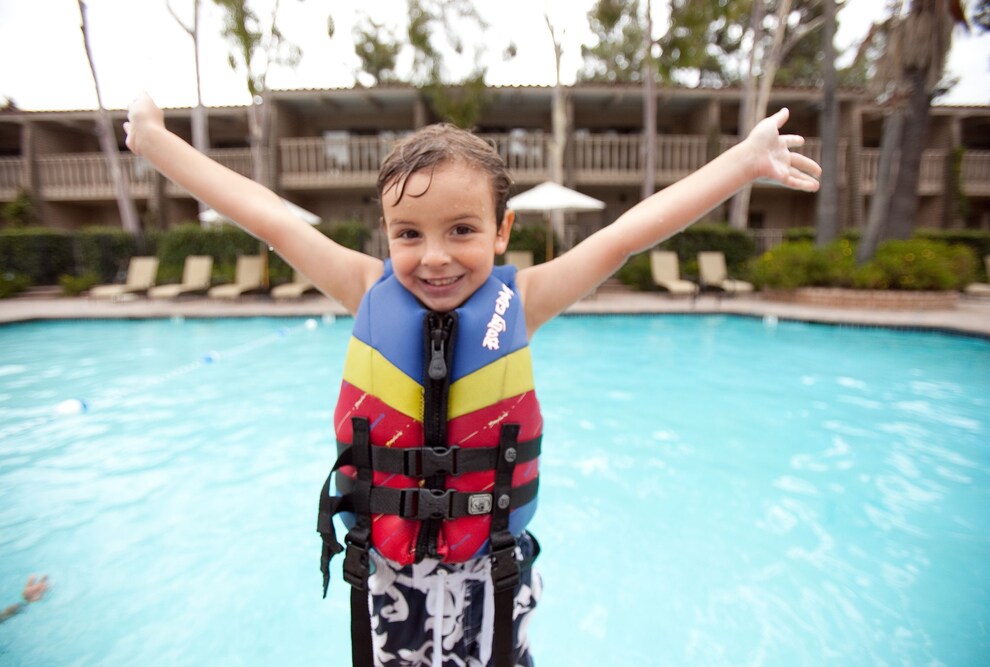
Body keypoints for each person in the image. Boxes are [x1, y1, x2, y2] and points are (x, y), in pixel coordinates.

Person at [124, 93, 820, 667]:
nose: (434, 259)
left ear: (501, 229)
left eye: (461, 229)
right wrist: (156, 143)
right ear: (384, 232)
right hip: (391, 577)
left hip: (492, 572)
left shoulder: (523, 299)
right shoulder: (365, 289)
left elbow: (625, 236)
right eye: (408, 234)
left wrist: (742, 162)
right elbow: (269, 219)